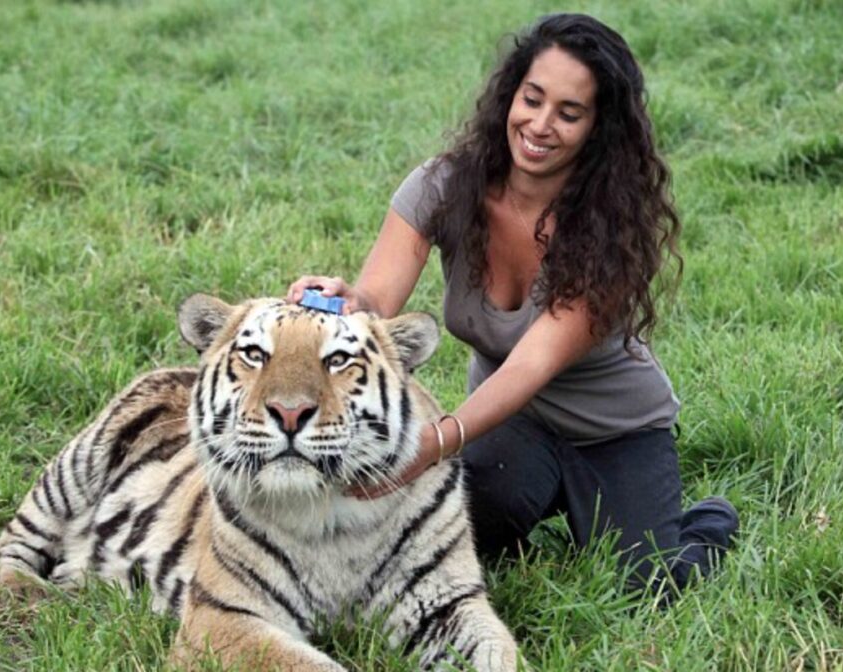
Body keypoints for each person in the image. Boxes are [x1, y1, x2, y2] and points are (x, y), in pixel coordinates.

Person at [287, 13, 738, 594]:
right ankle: (532, 509)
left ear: (597, 129)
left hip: (616, 431)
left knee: (645, 583)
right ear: (511, 94)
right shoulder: (443, 186)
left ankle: (708, 523)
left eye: (569, 114)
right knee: (439, 537)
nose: (540, 125)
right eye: (533, 99)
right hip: (514, 425)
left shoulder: (610, 235)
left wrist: (431, 445)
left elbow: (530, 365)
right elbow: (377, 301)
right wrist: (350, 301)